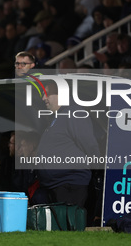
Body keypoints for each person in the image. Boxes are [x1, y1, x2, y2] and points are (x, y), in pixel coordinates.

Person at [36, 80, 100, 208]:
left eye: (47, 94)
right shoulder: (60, 116)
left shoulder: (74, 113)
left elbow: (89, 145)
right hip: (57, 185)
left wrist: (97, 168)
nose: (43, 98)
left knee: (68, 226)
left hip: (69, 186)